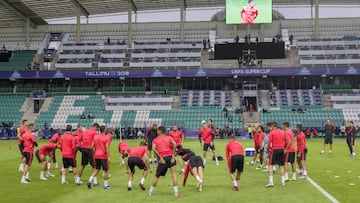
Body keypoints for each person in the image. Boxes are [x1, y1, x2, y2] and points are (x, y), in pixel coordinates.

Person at [148, 126, 179, 197]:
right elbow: (175, 144)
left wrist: (160, 157)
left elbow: (153, 148)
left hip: (163, 158)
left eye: (157, 131)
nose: (156, 132)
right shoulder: (169, 137)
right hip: (171, 157)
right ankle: (176, 193)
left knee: (157, 176)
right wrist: (173, 156)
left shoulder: (155, 140)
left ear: (159, 131)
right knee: (174, 175)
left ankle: (150, 192)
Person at [265, 122, 288, 187]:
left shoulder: (272, 132)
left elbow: (269, 143)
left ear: (272, 126)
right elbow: (287, 141)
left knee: (270, 165)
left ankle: (271, 181)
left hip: (274, 150)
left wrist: (268, 152)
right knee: (281, 166)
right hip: (281, 150)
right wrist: (285, 149)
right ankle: (283, 181)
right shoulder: (283, 132)